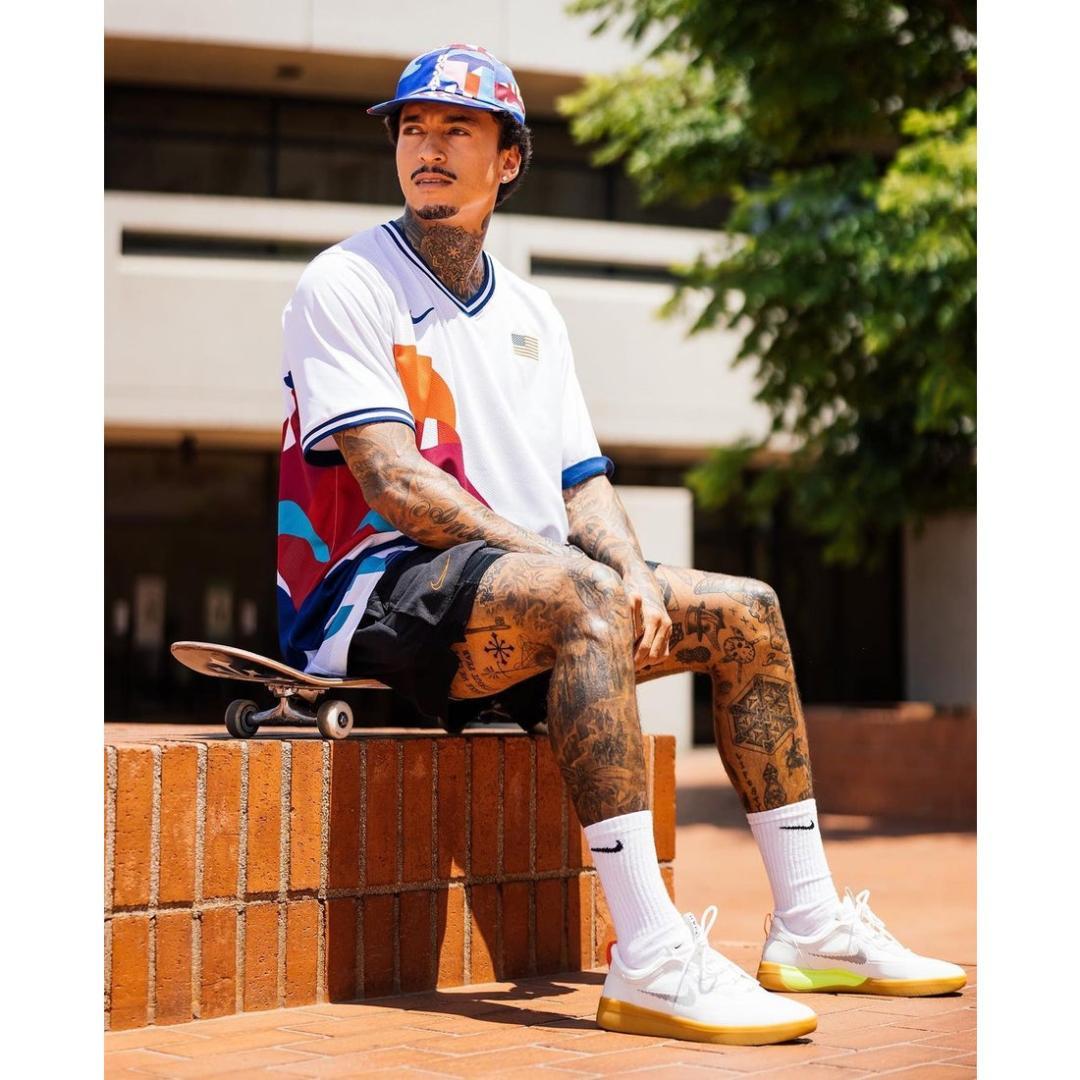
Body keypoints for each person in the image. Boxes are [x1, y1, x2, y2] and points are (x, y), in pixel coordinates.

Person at [276, 44, 966, 1046]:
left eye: (457, 130)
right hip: (375, 594)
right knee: (584, 596)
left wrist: (632, 573)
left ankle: (811, 923)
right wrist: (578, 574)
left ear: (508, 160)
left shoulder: (533, 313)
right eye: (413, 129)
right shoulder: (345, 282)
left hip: (526, 591)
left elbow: (583, 485)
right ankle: (649, 956)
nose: (428, 147)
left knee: (748, 613)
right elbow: (395, 483)